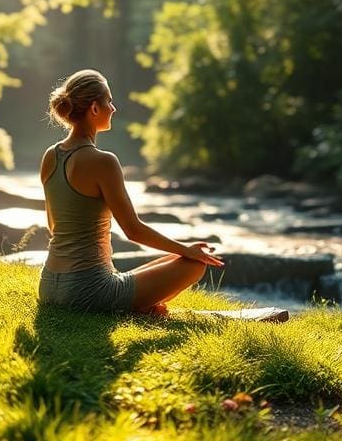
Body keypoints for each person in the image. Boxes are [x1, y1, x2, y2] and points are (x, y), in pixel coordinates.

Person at [38, 69, 224, 315]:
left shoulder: (51, 156)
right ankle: (134, 309)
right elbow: (133, 230)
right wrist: (187, 250)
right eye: (109, 101)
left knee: (174, 261)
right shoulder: (103, 161)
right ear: (94, 109)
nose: (113, 108)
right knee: (194, 265)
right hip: (87, 292)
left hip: (49, 284)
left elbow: (53, 226)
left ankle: (135, 307)